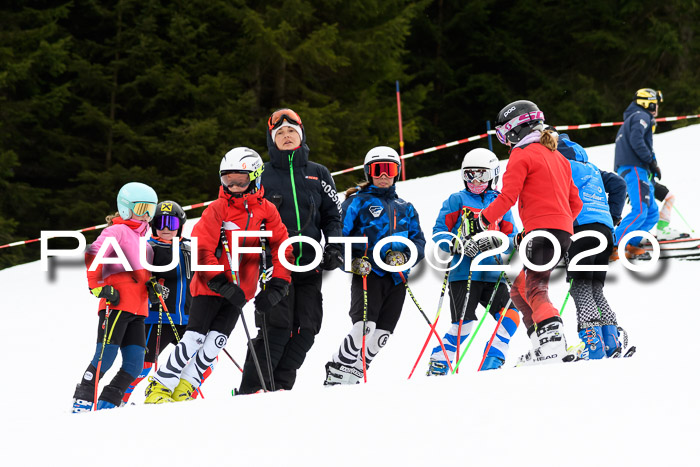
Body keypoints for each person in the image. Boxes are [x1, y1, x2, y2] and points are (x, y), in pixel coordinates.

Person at [144, 147, 291, 403]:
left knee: (216, 342)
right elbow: (201, 247)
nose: (233, 186)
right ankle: (160, 385)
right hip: (208, 286)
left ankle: (185, 387)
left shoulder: (267, 211)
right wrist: (219, 281)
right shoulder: (217, 209)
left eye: (240, 180)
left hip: (240, 291)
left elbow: (282, 247)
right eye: (227, 180)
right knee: (194, 337)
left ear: (255, 177)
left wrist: (278, 284)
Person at [237, 109, 344, 394]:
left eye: (291, 132)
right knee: (276, 328)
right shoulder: (262, 175)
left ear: (301, 135)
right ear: (272, 140)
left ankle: (280, 387)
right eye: (280, 133)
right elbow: (247, 216)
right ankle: (252, 390)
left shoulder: (318, 173)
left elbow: (333, 215)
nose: (286, 136)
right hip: (274, 264)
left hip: (310, 263)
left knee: (307, 329)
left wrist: (333, 245)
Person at [476, 100, 582, 364]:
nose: (505, 141)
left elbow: (508, 196)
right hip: (562, 232)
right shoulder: (559, 157)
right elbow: (576, 203)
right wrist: (560, 223)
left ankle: (553, 345)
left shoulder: (521, 154)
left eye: (504, 135)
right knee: (518, 290)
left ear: (515, 130)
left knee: (535, 289)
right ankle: (540, 343)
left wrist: (484, 218)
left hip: (543, 231)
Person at [324, 146, 426, 385]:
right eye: (377, 170)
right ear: (368, 172)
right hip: (368, 273)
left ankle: (357, 372)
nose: (383, 175)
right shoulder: (356, 202)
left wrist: (406, 257)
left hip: (397, 277)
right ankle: (337, 369)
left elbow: (418, 241)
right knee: (364, 327)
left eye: (388, 169)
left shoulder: (405, 207)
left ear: (396, 172)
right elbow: (338, 238)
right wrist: (352, 263)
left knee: (382, 335)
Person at [427, 148, 520, 374]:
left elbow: (511, 237)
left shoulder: (500, 203)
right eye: (470, 175)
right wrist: (456, 244)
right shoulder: (457, 200)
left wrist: (496, 242)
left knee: (511, 315)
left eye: (482, 175)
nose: (476, 181)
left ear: (493, 176)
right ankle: (440, 361)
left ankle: (493, 357)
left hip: (492, 271)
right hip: (463, 273)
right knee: (464, 325)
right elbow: (439, 231)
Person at [71, 182, 159, 412]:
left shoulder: (144, 240)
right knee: (104, 359)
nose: (147, 216)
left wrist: (151, 287)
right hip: (117, 306)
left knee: (135, 364)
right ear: (125, 208)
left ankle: (107, 404)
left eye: (151, 210)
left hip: (138, 310)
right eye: (142, 209)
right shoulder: (116, 231)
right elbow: (93, 256)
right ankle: (83, 401)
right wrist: (99, 288)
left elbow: (141, 272)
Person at [121, 200, 210, 403]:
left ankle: (182, 395)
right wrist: (148, 287)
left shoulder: (190, 248)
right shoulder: (148, 248)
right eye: (161, 223)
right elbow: (135, 277)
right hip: (157, 317)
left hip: (189, 318)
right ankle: (121, 400)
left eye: (172, 223)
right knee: (142, 365)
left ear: (180, 225)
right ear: (153, 225)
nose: (167, 228)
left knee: (204, 361)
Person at [556, 131, 627, 359]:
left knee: (580, 286)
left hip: (580, 229)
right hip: (605, 232)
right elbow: (618, 183)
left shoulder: (560, 166)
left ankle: (592, 341)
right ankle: (611, 340)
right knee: (595, 286)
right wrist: (614, 215)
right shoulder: (592, 168)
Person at [612, 88, 663, 259]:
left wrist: (651, 165)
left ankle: (630, 244)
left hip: (638, 169)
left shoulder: (634, 117)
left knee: (652, 213)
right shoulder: (641, 116)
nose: (656, 108)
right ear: (647, 103)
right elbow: (637, 140)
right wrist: (651, 160)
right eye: (655, 103)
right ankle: (614, 245)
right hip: (635, 167)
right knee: (640, 210)